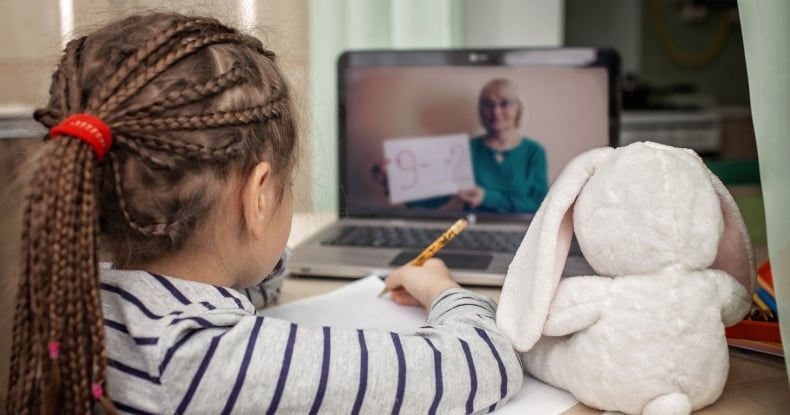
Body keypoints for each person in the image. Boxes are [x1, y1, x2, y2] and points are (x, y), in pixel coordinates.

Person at [6, 13, 523, 414]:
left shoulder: (77, 296)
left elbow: (250, 287)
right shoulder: (210, 360)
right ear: (257, 196)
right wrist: (442, 289)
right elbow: (483, 363)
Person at [375, 78, 548, 214]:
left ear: (519, 109)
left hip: (522, 232)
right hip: (471, 229)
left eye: (504, 103)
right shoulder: (464, 149)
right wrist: (396, 183)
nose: (496, 112)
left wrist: (488, 198)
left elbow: (540, 206)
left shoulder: (534, 152)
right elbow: (435, 199)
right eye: (488, 104)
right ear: (481, 110)